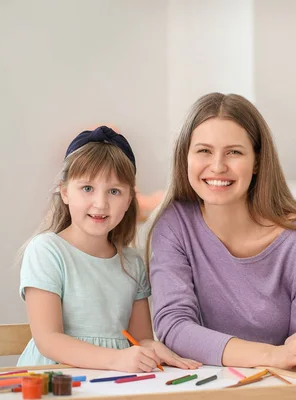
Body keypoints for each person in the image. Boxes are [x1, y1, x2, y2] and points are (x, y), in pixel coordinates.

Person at [146, 93, 296, 378]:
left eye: (234, 152)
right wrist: (273, 354)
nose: (217, 166)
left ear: (258, 162)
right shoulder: (175, 224)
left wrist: (285, 359)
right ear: (185, 157)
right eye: (203, 151)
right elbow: (174, 326)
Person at [17, 126, 201, 372]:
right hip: (54, 381)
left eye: (114, 191)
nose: (101, 203)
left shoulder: (132, 263)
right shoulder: (47, 251)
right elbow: (49, 340)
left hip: (111, 382)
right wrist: (116, 359)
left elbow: (140, 337)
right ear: (64, 191)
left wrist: (153, 347)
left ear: (128, 200)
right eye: (87, 188)